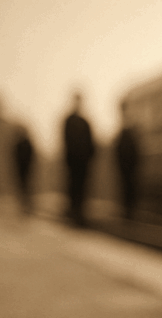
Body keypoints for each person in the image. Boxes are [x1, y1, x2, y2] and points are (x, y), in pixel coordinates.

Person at [62, 92, 95, 226]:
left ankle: (79, 212)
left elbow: (91, 142)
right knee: (74, 186)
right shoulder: (69, 120)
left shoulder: (84, 122)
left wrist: (90, 157)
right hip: (73, 161)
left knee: (82, 187)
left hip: (83, 161)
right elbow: (66, 141)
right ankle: (74, 212)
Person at [114, 102, 140, 220]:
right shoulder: (124, 132)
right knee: (126, 188)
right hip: (125, 166)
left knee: (130, 189)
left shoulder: (129, 132)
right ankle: (127, 212)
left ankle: (130, 212)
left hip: (130, 166)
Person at [12, 125, 35, 214]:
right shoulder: (19, 144)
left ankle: (27, 204)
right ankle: (24, 204)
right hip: (21, 168)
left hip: (26, 168)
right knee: (22, 185)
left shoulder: (26, 143)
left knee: (27, 185)